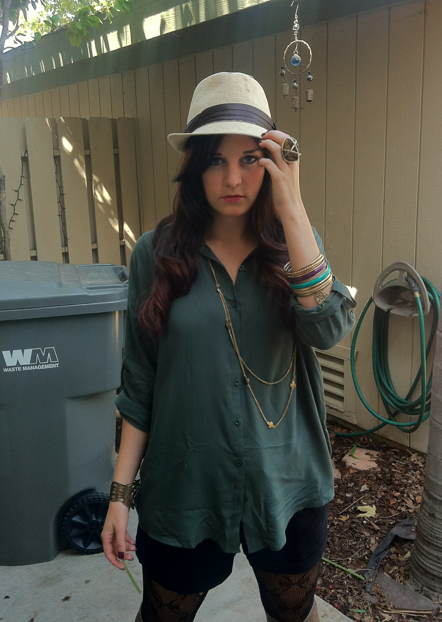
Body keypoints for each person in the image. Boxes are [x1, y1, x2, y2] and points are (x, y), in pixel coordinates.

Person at [101, 72, 356, 622]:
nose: (233, 178)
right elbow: (140, 383)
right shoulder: (154, 254)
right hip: (185, 486)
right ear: (195, 167)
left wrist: (292, 205)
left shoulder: (296, 248)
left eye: (250, 159)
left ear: (271, 163)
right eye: (216, 160)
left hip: (286, 484)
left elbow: (328, 330)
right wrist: (120, 495)